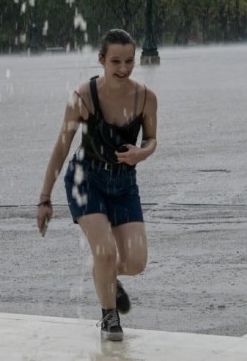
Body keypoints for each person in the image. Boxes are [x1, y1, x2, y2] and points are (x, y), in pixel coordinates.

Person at [36, 29, 157, 341]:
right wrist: (44, 198)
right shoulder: (82, 97)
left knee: (135, 262)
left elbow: (152, 139)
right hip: (84, 178)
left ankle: (108, 280)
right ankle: (109, 318)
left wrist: (141, 153)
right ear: (101, 60)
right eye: (115, 61)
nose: (123, 68)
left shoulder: (146, 97)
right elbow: (61, 148)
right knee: (104, 253)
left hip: (124, 182)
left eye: (129, 61)